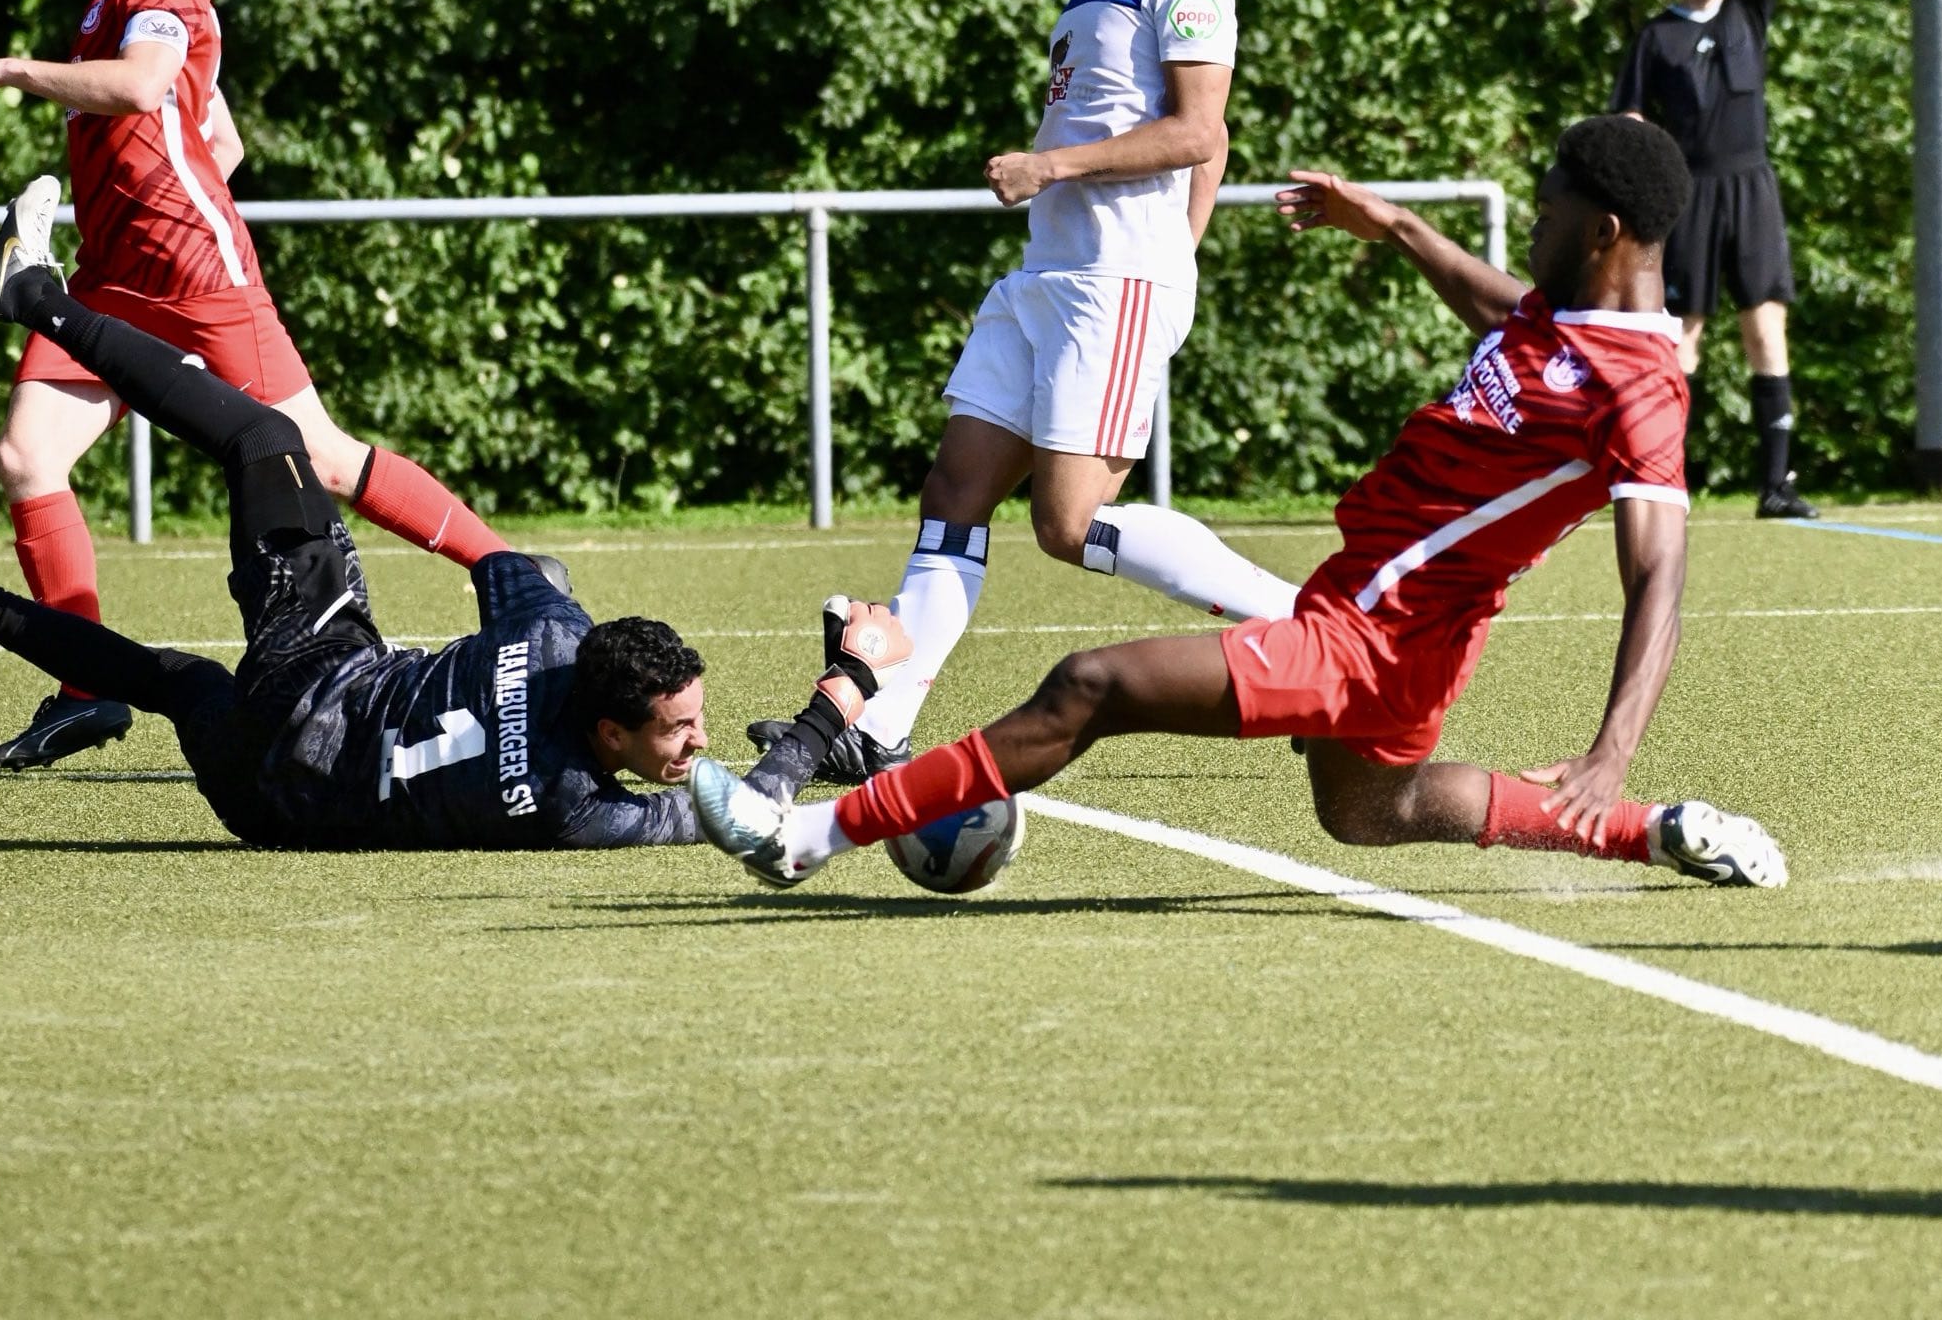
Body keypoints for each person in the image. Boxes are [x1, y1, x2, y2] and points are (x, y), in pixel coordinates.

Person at [692, 115, 1788, 892]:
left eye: (1548, 207)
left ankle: (805, 834)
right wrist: (1394, 225)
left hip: (1369, 637)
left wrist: (1607, 747)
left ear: (1601, 232)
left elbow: (1658, 577)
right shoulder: (1561, 317)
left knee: (1089, 684)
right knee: (1368, 811)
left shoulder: (1639, 389)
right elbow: (1494, 300)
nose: (1533, 222)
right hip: (1381, 620)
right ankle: (1658, 833)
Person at [0, 178, 909, 849]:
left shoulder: (552, 641)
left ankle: (31, 308)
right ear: (609, 726)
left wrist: (846, 682)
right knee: (179, 674)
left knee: (264, 442)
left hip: (314, 685)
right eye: (680, 728)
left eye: (688, 726)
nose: (694, 745)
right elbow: (752, 813)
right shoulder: (579, 808)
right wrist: (840, 703)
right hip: (267, 806)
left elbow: (510, 572)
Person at [0, 0, 514, 770]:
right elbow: (221, 137)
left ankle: (507, 570)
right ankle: (88, 693)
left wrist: (1, 70)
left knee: (320, 460)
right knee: (28, 457)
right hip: (116, 278)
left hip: (196, 270)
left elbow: (140, 85)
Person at [749, 0, 1296, 785]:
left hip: (1109, 279)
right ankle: (882, 718)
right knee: (955, 488)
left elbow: (1199, 131)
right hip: (1048, 273)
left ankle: (1301, 628)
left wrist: (1102, 210)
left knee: (1066, 522)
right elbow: (1194, 141)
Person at [1612, 0, 1815, 518]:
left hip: (1751, 187)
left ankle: (1777, 486)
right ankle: (1664, 482)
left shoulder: (1746, 11)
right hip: (1687, 195)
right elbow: (1629, 120)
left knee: (1766, 327)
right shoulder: (1655, 35)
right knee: (1683, 335)